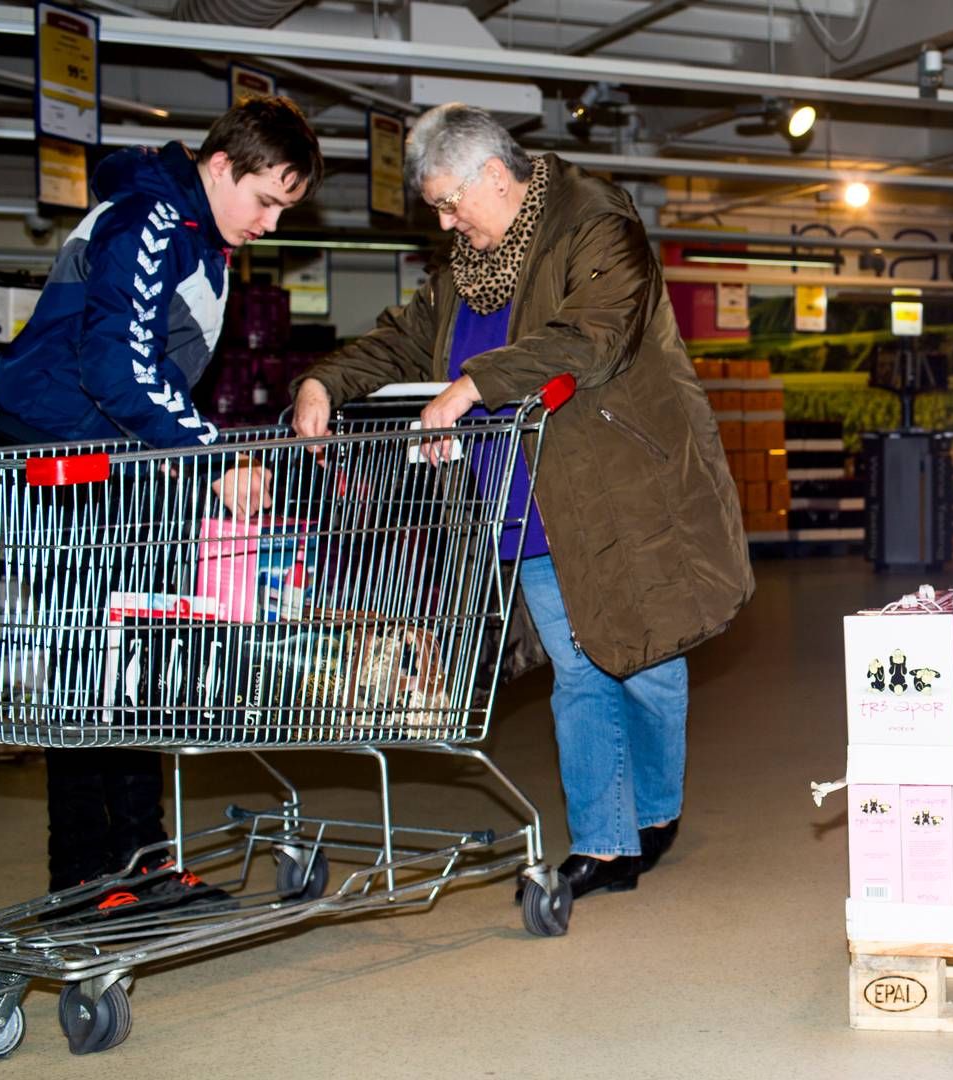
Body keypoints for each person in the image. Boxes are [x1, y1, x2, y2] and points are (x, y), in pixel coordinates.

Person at [291, 103, 753, 900]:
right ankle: (606, 844)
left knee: (644, 660)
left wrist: (474, 385)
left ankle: (657, 809)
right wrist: (322, 380)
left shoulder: (595, 223)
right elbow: (403, 337)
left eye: (446, 203)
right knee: (578, 673)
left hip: (617, 492)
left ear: (494, 179)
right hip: (520, 502)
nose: (442, 220)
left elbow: (595, 333)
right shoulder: (467, 266)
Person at [0, 96, 323, 906]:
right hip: (63, 467)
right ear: (220, 167)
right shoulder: (148, 219)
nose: (272, 223)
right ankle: (81, 876)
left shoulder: (200, 237)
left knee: (138, 664)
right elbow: (115, 366)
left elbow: (152, 379)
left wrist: (174, 459)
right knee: (85, 670)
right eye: (267, 200)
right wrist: (209, 456)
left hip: (118, 465)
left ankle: (141, 862)